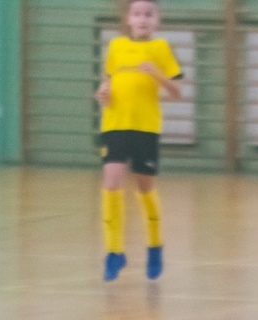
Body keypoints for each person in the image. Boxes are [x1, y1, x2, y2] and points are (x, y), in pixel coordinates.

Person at [94, 0, 182, 282]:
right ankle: (113, 252)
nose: (142, 18)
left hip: (145, 129)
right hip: (115, 124)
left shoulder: (160, 49)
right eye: (137, 14)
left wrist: (156, 74)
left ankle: (155, 246)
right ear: (128, 19)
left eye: (148, 14)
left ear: (156, 21)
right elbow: (106, 83)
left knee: (144, 188)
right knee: (111, 184)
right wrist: (103, 95)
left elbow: (177, 92)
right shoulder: (116, 46)